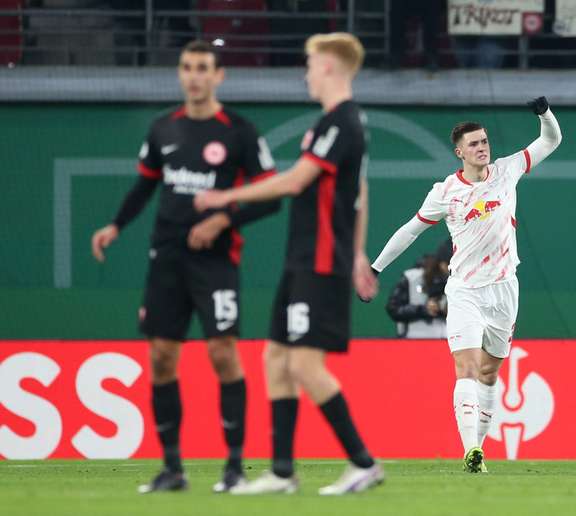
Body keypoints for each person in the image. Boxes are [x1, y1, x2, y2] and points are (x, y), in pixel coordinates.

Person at [194, 32, 383, 495]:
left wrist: (226, 196)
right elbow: (359, 192)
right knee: (275, 357)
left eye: (310, 64)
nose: (305, 73)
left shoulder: (341, 122)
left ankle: (363, 462)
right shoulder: (334, 123)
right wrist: (359, 252)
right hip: (303, 258)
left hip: (319, 260)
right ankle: (282, 472)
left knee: (304, 364)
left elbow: (295, 181)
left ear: (330, 68)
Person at [90, 40, 280, 493]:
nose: (194, 76)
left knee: (222, 353)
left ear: (219, 76)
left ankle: (234, 467)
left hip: (216, 262)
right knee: (161, 358)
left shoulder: (239, 131)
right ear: (180, 74)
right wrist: (115, 225)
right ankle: (172, 469)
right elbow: (145, 186)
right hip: (167, 259)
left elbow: (270, 195)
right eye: (187, 68)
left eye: (202, 68)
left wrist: (221, 219)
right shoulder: (163, 129)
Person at [366, 97, 562, 472]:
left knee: (490, 373)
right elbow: (410, 231)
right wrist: (375, 268)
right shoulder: (445, 192)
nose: (482, 148)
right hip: (465, 291)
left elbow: (550, 140)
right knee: (467, 368)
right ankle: (471, 448)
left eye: (485, 141)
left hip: (504, 289)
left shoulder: (508, 170)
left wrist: (544, 114)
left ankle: (480, 452)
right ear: (460, 152)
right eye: (474, 144)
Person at [386, 252, 448, 338]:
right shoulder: (411, 277)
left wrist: (448, 310)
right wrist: (423, 309)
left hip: (445, 341)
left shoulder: (454, 279)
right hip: (413, 341)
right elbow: (394, 309)